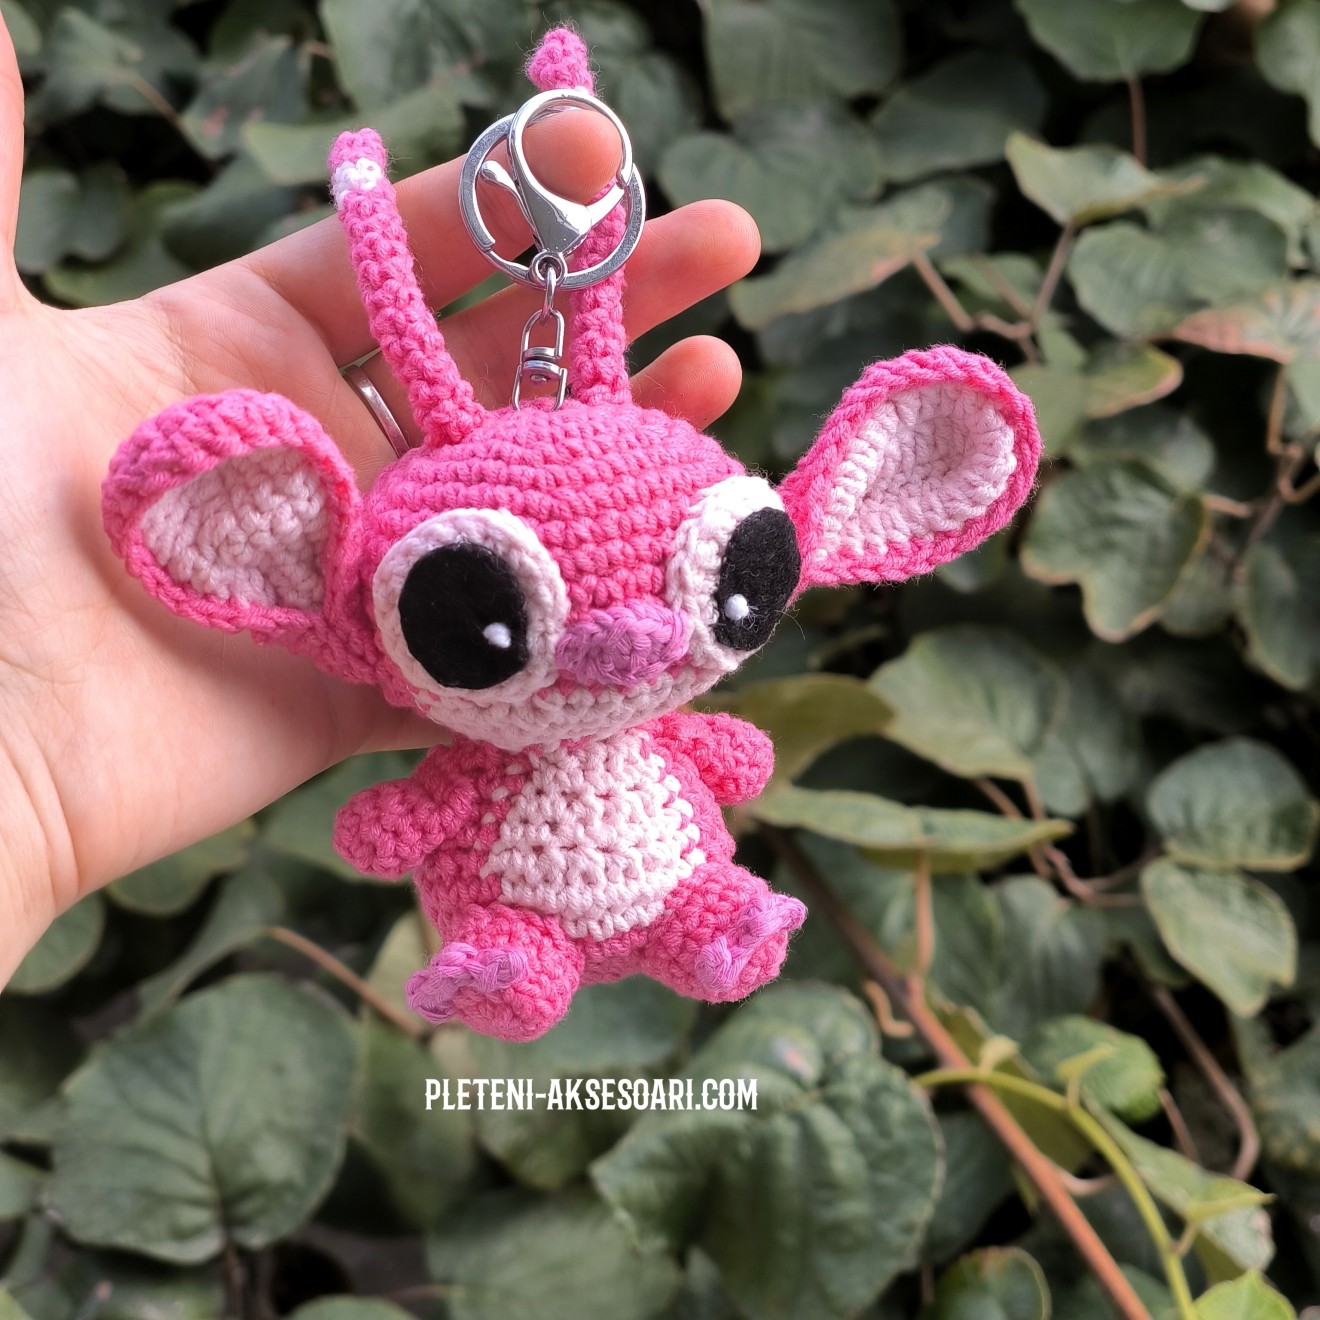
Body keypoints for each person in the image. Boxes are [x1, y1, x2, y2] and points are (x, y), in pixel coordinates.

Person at [0, 14, 760, 983]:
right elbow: (396, 826)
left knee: (711, 917)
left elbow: (389, 832)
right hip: (515, 916)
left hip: (675, 877)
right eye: (484, 622)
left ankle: (713, 926)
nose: (630, 645)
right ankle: (512, 972)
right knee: (517, 968)